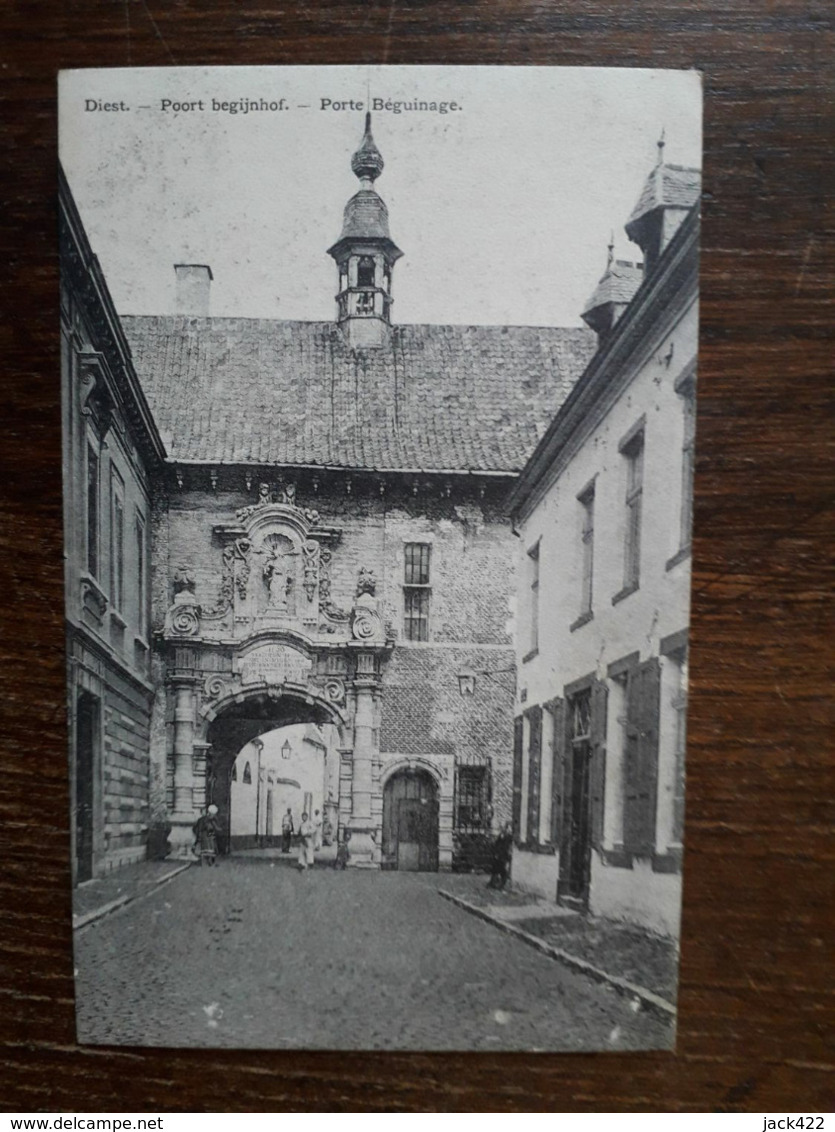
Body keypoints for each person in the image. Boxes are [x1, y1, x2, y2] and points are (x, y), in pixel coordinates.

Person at [487, 822, 513, 890]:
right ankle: (493, 882)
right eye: (503, 828)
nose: (504, 829)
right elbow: (497, 844)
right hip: (498, 854)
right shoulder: (501, 835)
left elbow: (507, 847)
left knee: (502, 870)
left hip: (504, 855)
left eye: (506, 828)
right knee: (495, 868)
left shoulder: (509, 837)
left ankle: (501, 884)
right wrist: (496, 852)